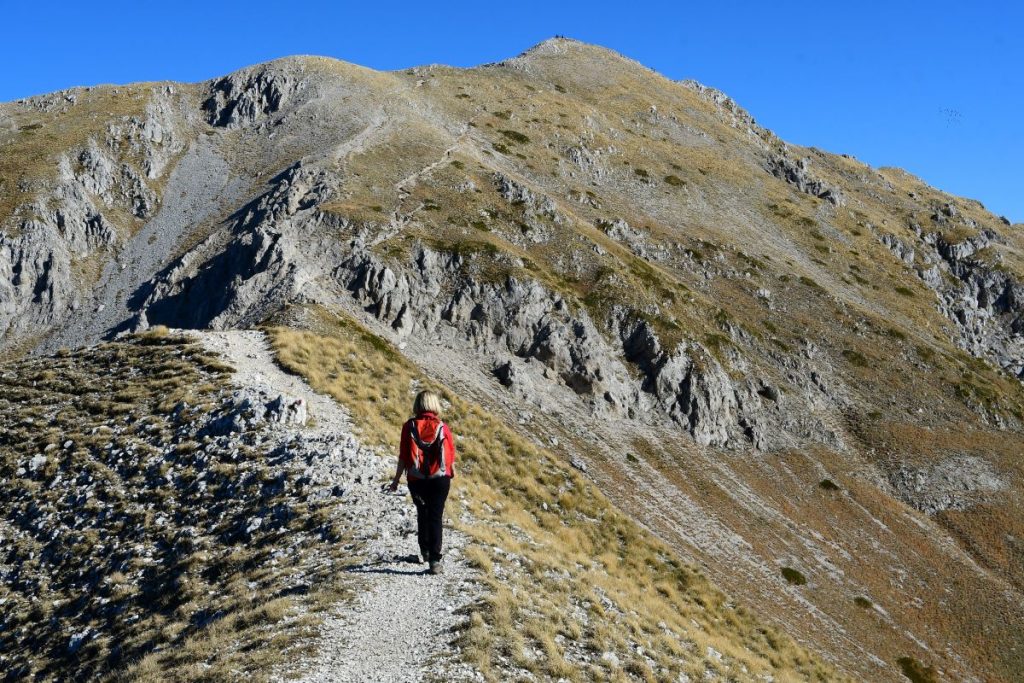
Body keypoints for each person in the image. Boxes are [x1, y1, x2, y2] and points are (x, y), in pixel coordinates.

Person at [386, 390, 456, 575]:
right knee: (435, 516)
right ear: (434, 405)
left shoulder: (408, 426)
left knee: (422, 512)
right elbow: (450, 452)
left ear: (418, 404)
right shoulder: (442, 426)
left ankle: (424, 550)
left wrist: (396, 480)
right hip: (440, 479)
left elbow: (403, 455)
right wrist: (451, 470)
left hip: (416, 479)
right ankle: (434, 561)